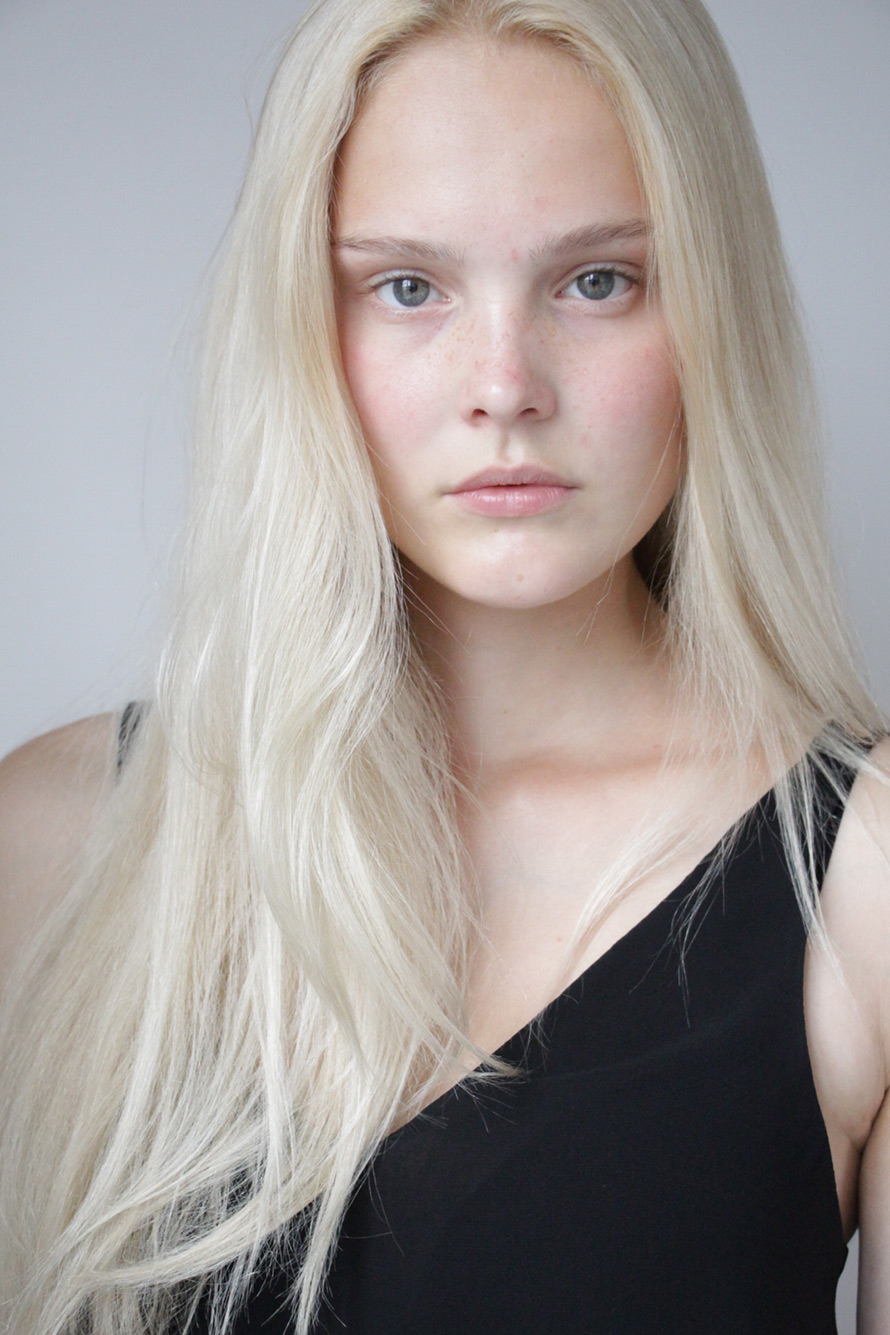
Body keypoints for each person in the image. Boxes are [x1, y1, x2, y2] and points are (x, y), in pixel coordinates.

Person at [1, 0, 888, 1331]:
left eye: (598, 280)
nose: (504, 386)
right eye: (407, 287)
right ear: (303, 328)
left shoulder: (866, 884)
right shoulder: (54, 842)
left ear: (715, 306)